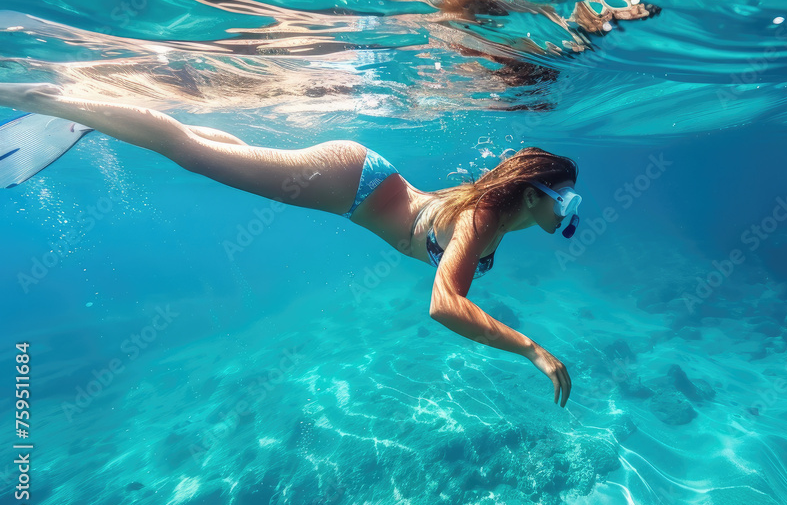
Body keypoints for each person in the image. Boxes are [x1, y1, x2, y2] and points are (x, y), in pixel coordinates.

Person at [0, 82, 575, 406]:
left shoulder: (501, 213)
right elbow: (444, 303)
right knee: (189, 151)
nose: (570, 217)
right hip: (351, 182)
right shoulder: (483, 218)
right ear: (533, 196)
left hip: (359, 178)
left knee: (217, 154)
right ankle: (56, 99)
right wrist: (531, 349)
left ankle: (102, 109)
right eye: (566, 203)